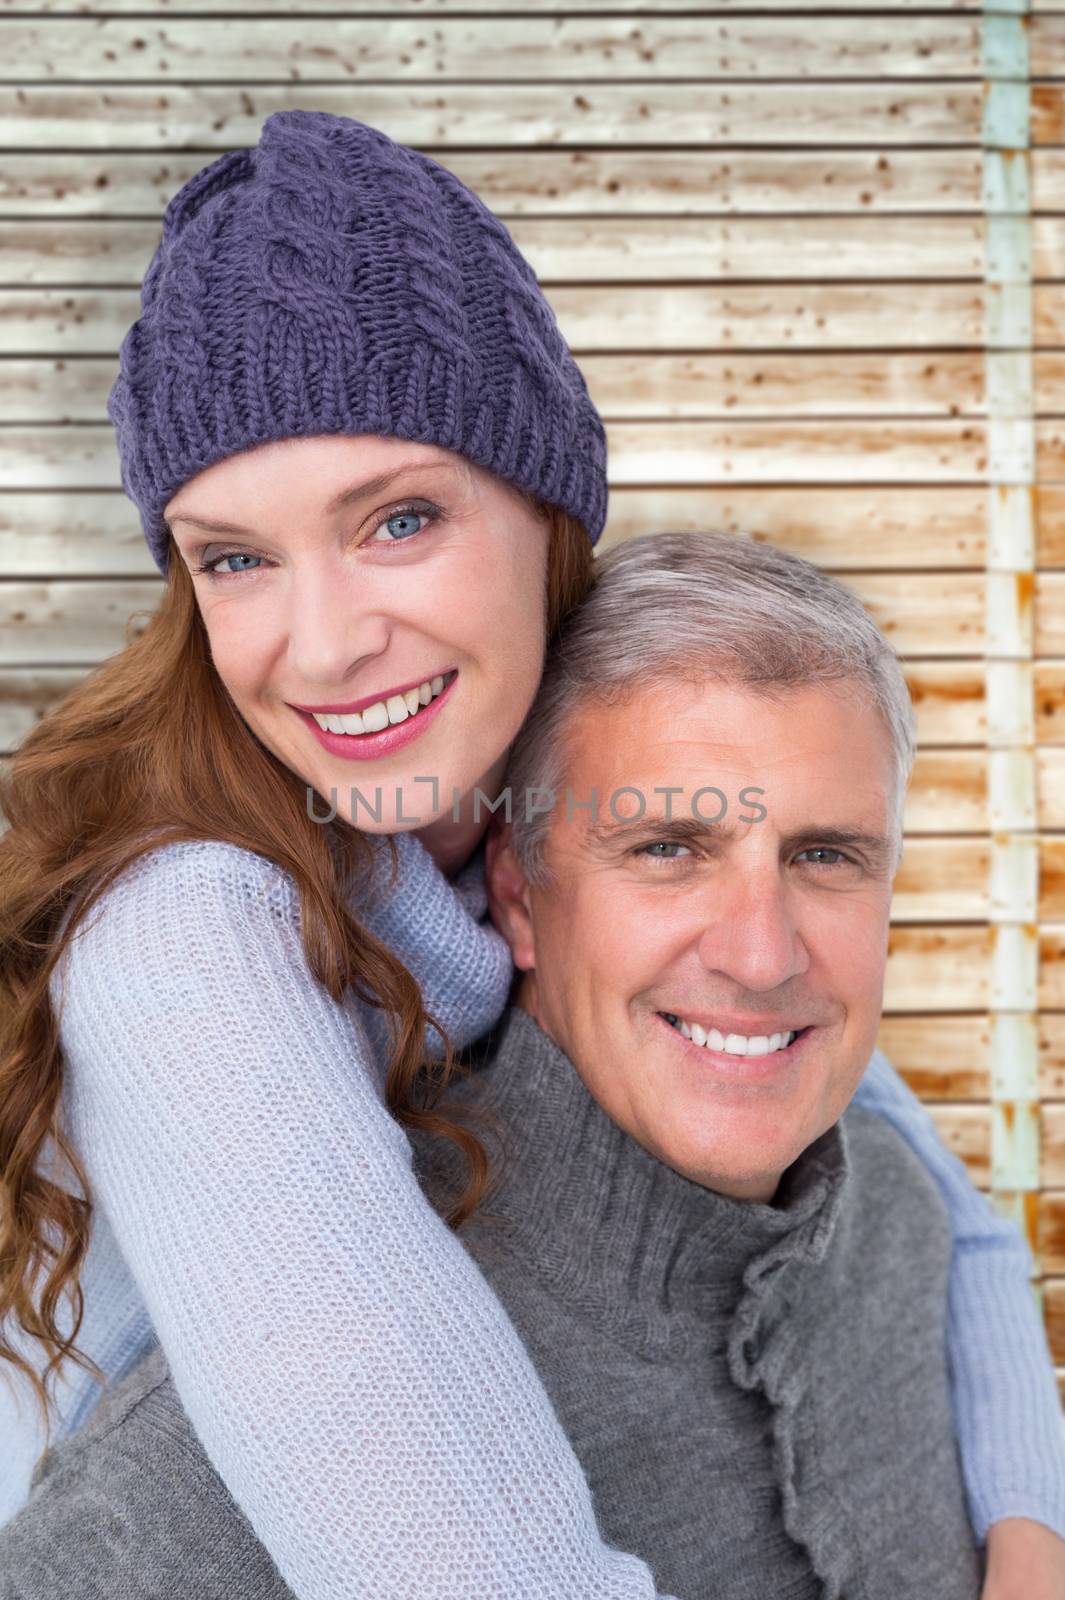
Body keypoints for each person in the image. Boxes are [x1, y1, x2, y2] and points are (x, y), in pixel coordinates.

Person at [0, 110, 1061, 1600]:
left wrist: (1026, 1523)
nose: (320, 644)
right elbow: (461, 1563)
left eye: (400, 519)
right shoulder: (193, 932)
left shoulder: (535, 787)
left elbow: (914, 1181)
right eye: (232, 555)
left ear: (551, 510)